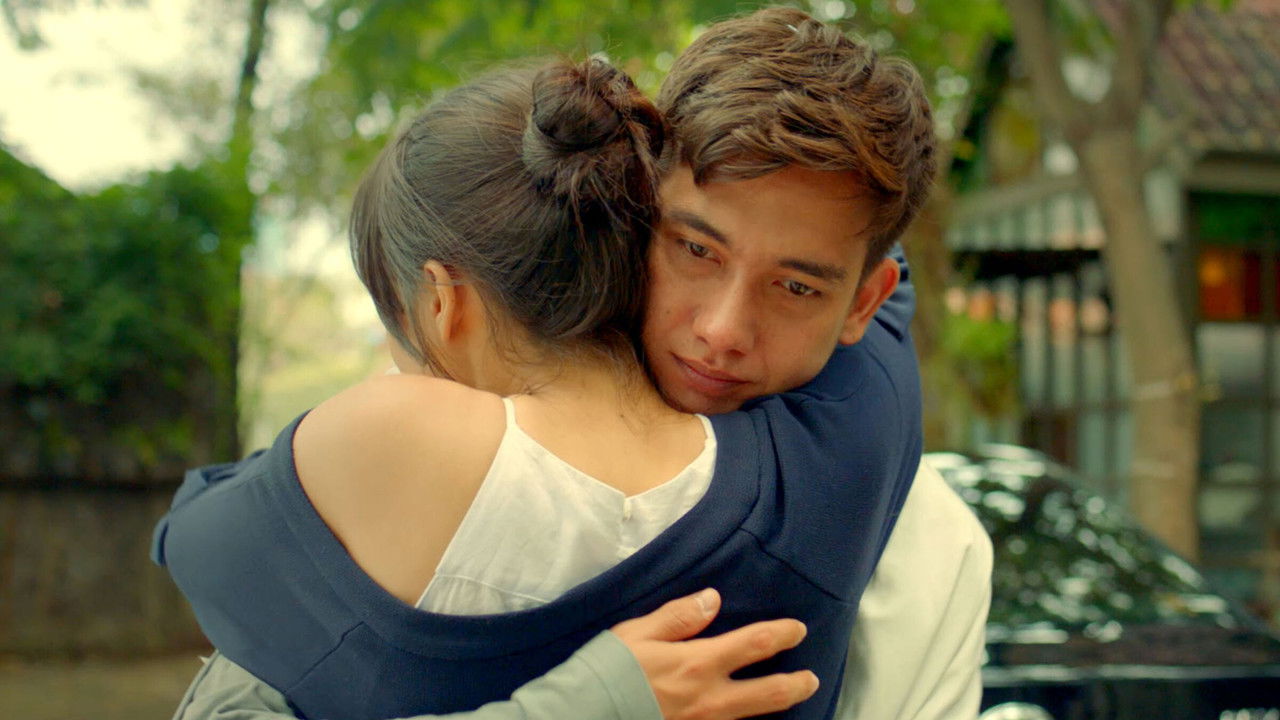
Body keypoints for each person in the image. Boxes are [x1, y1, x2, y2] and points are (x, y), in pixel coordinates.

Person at [157, 7, 991, 720]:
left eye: (797, 287)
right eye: (695, 248)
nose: (724, 331)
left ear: (863, 302)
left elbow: (196, 548)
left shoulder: (929, 545)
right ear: (635, 208)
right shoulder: (870, 456)